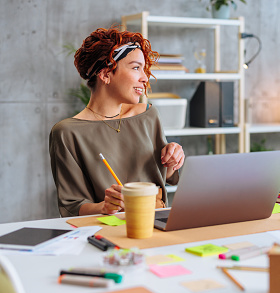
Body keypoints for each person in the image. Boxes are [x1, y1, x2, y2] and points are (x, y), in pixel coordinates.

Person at [49, 26, 185, 217]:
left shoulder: (148, 115)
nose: (145, 78)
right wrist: (104, 207)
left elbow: (168, 178)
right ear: (105, 75)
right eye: (136, 68)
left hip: (158, 222)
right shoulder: (67, 133)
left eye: (144, 69)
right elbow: (71, 207)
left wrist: (173, 160)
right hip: (107, 231)